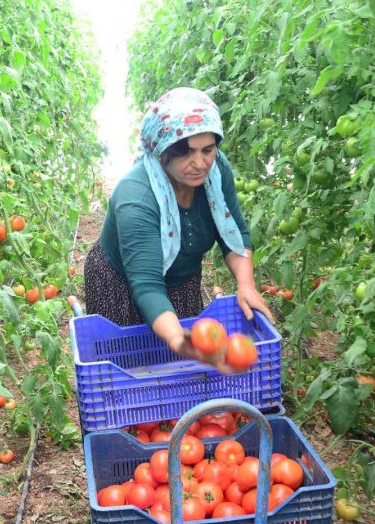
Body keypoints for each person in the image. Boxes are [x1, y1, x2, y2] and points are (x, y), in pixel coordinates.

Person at [84, 87, 272, 371]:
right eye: (185, 152)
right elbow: (147, 285)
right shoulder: (136, 196)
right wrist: (177, 338)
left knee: (179, 371)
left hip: (182, 281)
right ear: (162, 153)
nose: (199, 163)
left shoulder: (216, 170)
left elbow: (234, 233)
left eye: (207, 150)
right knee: (130, 368)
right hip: (120, 281)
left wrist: (246, 284)